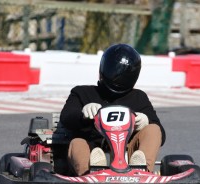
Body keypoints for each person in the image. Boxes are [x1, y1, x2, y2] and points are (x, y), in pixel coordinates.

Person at [60, 44, 166, 176]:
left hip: (127, 152)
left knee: (153, 129)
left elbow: (160, 134)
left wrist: (146, 121)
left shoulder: (138, 98)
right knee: (77, 142)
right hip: (92, 147)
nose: (117, 76)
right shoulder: (82, 93)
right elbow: (66, 118)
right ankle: (91, 173)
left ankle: (141, 172)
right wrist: (83, 115)